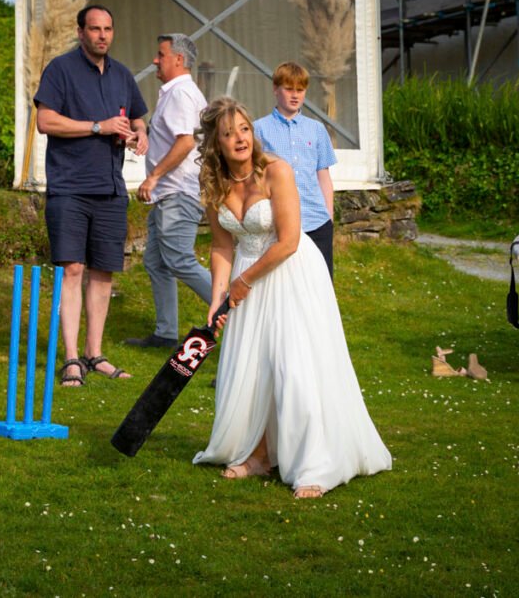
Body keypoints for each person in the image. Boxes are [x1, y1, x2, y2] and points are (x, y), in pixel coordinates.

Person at [192, 97, 391, 499]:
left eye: (244, 128)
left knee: (294, 366)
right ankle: (260, 455)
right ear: (216, 142)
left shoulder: (277, 172)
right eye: (229, 133)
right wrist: (217, 300)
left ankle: (315, 462)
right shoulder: (213, 185)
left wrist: (242, 282)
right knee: (256, 370)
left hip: (291, 272)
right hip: (247, 278)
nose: (240, 138)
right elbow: (221, 246)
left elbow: (288, 240)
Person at [33, 4, 149, 387]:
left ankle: (94, 354)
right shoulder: (61, 70)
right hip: (69, 187)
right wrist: (97, 127)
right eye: (95, 29)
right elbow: (45, 121)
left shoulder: (122, 75)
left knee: (103, 273)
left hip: (111, 188)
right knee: (72, 270)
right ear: (80, 31)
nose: (103, 35)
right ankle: (70, 359)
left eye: (108, 29)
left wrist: (140, 133)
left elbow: (136, 116)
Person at [125, 33, 211, 349]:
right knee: (157, 263)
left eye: (160, 55)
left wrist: (153, 178)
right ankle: (165, 333)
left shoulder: (181, 94)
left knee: (179, 260)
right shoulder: (177, 93)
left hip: (176, 191)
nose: (154, 60)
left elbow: (185, 141)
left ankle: (236, 310)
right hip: (168, 193)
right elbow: (175, 139)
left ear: (178, 59)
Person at [253, 62, 336, 278]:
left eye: (300, 90)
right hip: (278, 223)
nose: (295, 95)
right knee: (285, 285)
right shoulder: (259, 129)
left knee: (321, 284)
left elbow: (323, 176)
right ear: (275, 89)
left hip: (317, 221)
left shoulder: (316, 129)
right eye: (289, 89)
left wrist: (329, 217)